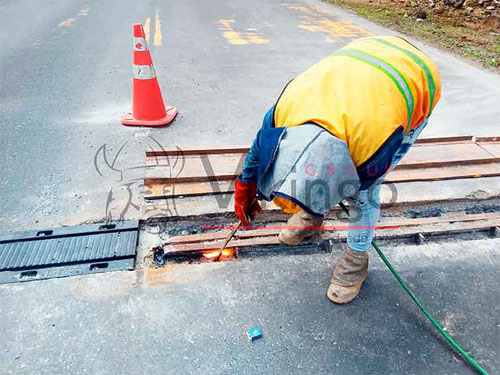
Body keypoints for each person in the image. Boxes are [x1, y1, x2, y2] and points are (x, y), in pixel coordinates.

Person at [234, 36, 441, 304]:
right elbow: (257, 152)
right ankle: (311, 217)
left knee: (363, 197)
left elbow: (362, 199)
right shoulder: (281, 115)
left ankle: (356, 262)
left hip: (414, 77)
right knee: (314, 171)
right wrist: (246, 187)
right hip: (362, 57)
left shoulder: (373, 149)